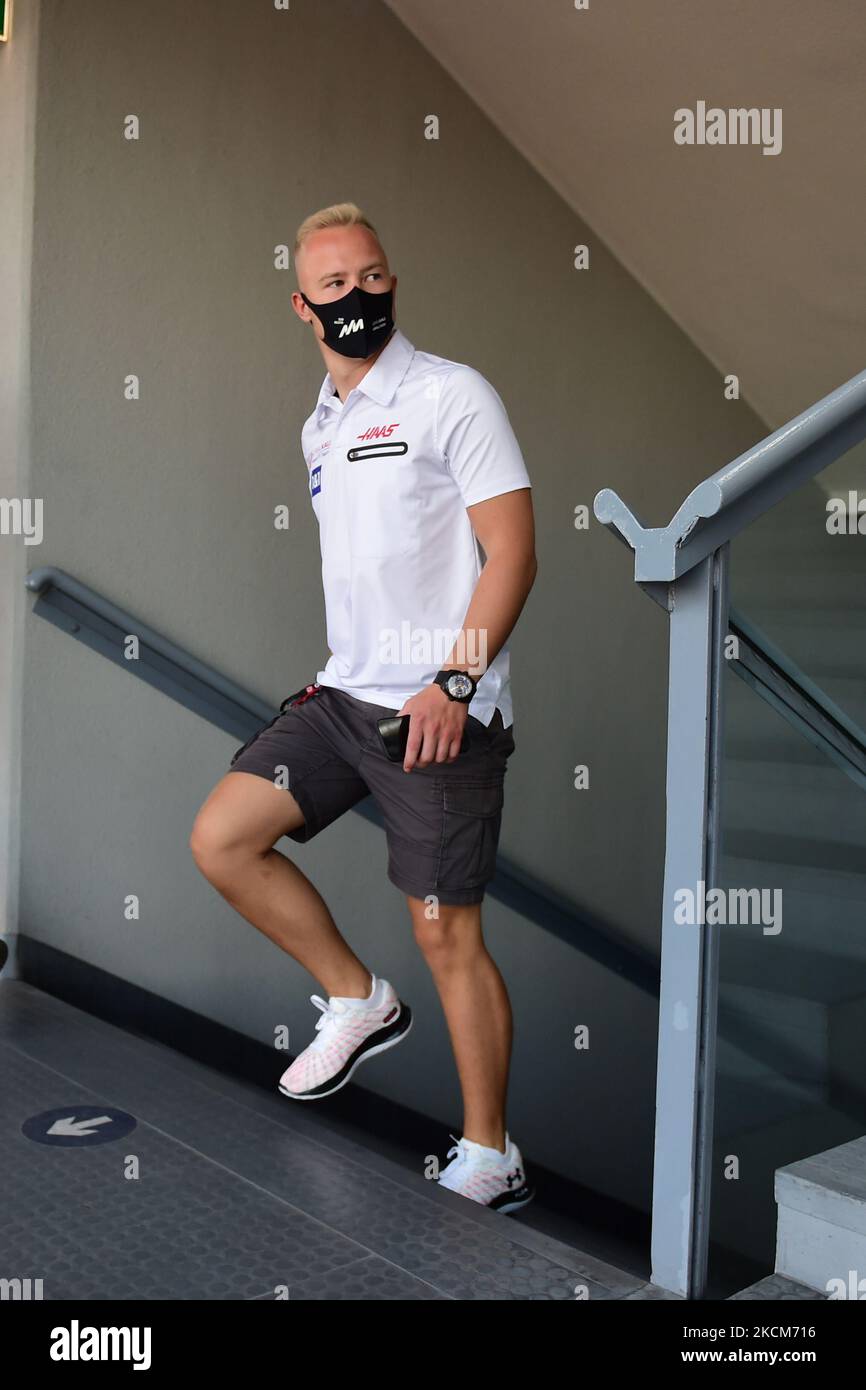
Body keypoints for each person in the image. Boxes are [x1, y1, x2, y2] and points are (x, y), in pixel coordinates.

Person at [190, 202, 537, 1214]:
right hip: (346, 695)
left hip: (443, 707)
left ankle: (488, 1152)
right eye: (334, 285)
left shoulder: (450, 396)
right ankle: (355, 996)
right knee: (222, 838)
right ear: (302, 305)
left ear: (392, 281)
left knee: (445, 932)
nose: (358, 296)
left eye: (372, 276)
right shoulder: (322, 419)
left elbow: (511, 551)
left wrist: (458, 679)